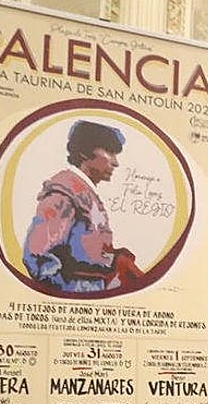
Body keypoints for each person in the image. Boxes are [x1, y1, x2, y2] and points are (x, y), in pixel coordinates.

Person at [22, 120, 143, 293]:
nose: (116, 163)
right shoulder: (64, 193)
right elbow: (37, 256)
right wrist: (74, 292)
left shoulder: (83, 191)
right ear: (84, 152)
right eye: (109, 152)